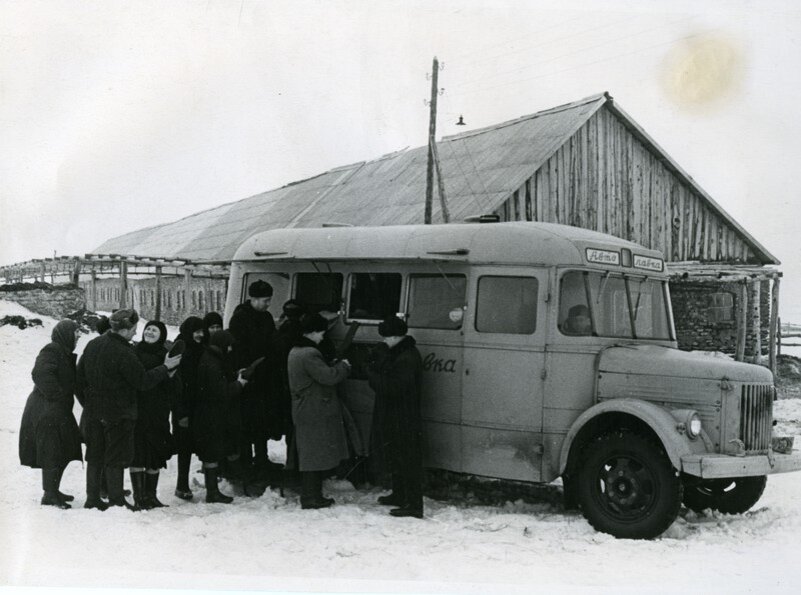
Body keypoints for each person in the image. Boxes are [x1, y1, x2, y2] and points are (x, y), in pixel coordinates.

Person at [76, 309, 181, 509]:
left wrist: (89, 404)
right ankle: (116, 501)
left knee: (95, 455)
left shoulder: (93, 345)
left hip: (92, 412)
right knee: (115, 457)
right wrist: (165, 367)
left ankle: (92, 499)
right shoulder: (124, 352)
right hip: (118, 413)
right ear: (124, 330)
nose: (135, 333)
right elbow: (142, 381)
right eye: (133, 329)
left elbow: (78, 380)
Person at [287, 313, 351, 509]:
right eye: (321, 333)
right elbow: (329, 377)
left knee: (309, 454)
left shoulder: (295, 351)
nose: (322, 337)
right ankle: (311, 497)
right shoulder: (310, 353)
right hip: (313, 409)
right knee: (313, 455)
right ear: (313, 332)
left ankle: (312, 495)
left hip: (304, 408)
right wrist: (343, 367)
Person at [19, 320, 84, 509]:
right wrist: (56, 395)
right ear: (65, 334)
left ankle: (54, 489)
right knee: (51, 450)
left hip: (57, 409)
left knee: (66, 446)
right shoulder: (51, 350)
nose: (78, 336)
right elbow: (39, 373)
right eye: (75, 332)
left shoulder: (62, 352)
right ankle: (49, 493)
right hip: (45, 409)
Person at [367, 317, 424, 519]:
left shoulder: (406, 358)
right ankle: (400, 495)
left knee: (407, 458)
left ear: (394, 336)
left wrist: (372, 375)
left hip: (403, 415)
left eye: (385, 338)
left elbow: (392, 387)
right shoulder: (403, 353)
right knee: (398, 456)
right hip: (400, 414)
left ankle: (414, 504)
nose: (384, 342)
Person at [229, 280, 281, 477]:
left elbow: (270, 341)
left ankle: (262, 459)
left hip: (264, 376)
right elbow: (238, 348)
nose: (268, 304)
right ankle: (246, 461)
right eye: (265, 300)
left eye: (269, 300)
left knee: (262, 420)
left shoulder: (266, 316)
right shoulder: (240, 318)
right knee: (247, 421)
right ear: (254, 298)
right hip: (248, 376)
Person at [193, 330, 248, 503]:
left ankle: (213, 490)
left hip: (207, 414)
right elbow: (221, 391)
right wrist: (239, 383)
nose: (231, 349)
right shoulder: (213, 362)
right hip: (212, 415)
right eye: (229, 345)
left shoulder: (210, 358)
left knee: (212, 452)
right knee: (212, 452)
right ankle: (212, 492)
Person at [131, 320, 179, 509]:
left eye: (155, 330)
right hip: (139, 411)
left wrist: (173, 377)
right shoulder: (134, 353)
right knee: (138, 453)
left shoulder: (165, 356)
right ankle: (139, 497)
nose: (150, 332)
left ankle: (151, 496)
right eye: (148, 329)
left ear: (162, 335)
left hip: (158, 411)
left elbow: (175, 387)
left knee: (155, 453)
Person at [172, 316, 206, 500]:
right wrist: (181, 412)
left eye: (202, 331)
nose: (201, 335)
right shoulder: (181, 349)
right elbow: (177, 385)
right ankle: (181, 484)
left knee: (196, 443)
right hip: (183, 408)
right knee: (184, 448)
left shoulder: (200, 348)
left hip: (198, 406)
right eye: (197, 331)